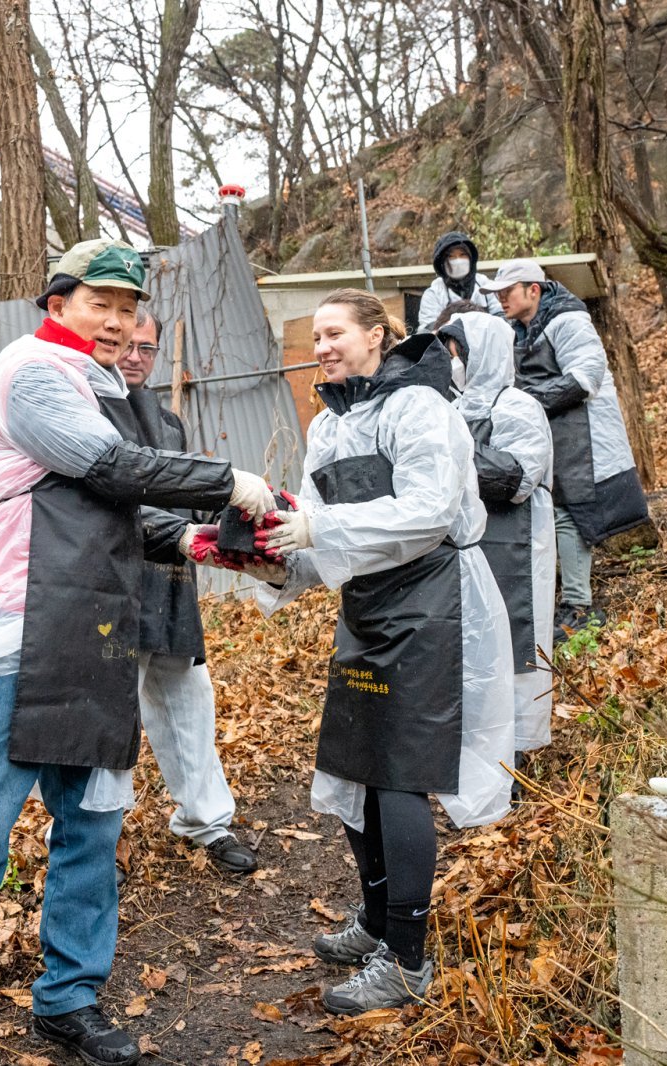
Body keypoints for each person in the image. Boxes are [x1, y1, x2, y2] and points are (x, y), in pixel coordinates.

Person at [0, 237, 276, 1066]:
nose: (116, 323)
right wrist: (225, 482)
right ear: (58, 304)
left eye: (127, 309)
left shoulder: (98, 382)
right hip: (19, 628)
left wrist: (192, 542)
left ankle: (69, 999)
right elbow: (103, 465)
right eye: (99, 306)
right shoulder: (36, 371)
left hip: (96, 628)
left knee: (92, 825)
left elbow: (99, 512)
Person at [243, 288, 514, 1015]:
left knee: (401, 777)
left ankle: (407, 959)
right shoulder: (330, 428)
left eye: (335, 333)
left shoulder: (417, 408)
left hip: (431, 602)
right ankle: (373, 922)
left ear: (376, 336)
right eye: (315, 336)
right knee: (355, 765)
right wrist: (265, 558)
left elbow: (427, 512)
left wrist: (318, 534)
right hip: (366, 607)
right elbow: (312, 531)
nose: (322, 346)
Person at [110, 307, 257, 875]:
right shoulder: (88, 409)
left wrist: (231, 516)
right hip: (115, 588)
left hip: (172, 581)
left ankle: (207, 821)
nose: (136, 357)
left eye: (147, 348)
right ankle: (96, 835)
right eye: (127, 345)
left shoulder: (169, 424)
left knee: (189, 703)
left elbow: (184, 493)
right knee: (112, 715)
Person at [477, 259, 651, 635]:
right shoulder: (518, 329)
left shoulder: (568, 320)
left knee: (573, 514)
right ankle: (569, 599)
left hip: (584, 436)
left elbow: (585, 377)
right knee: (556, 512)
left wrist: (527, 403)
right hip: (555, 436)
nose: (501, 299)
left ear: (533, 290)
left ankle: (580, 606)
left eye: (507, 292)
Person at [434, 304, 556, 755]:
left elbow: (519, 477)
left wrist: (454, 458)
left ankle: (519, 748)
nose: (452, 361)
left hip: (517, 545)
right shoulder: (449, 408)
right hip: (466, 546)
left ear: (480, 352)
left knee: (517, 642)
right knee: (472, 640)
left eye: (457, 351)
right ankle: (476, 742)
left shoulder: (519, 408)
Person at [416, 231, 502, 333]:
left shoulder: (486, 285)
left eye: (462, 255)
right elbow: (427, 330)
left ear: (471, 258)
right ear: (442, 263)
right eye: (451, 257)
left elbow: (502, 318)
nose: (458, 261)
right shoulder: (433, 293)